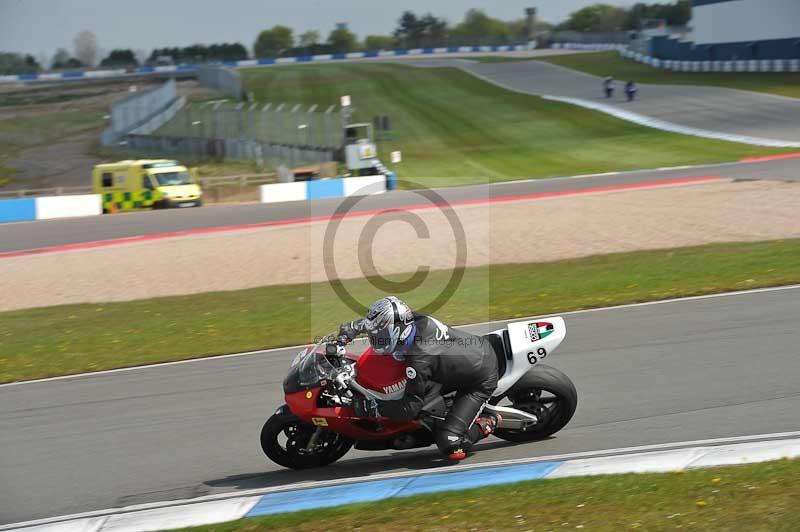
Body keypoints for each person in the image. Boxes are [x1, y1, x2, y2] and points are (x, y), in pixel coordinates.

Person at [339, 296, 501, 460]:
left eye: (382, 335)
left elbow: (410, 408)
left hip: (480, 377)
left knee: (450, 443)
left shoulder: (419, 358)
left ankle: (488, 421)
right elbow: (379, 322)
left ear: (398, 331)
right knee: (426, 402)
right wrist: (352, 329)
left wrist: (374, 408)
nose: (377, 339)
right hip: (461, 360)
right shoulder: (413, 321)